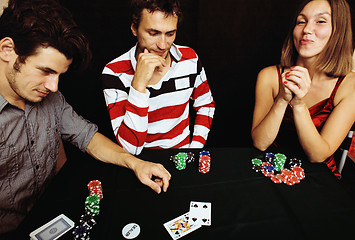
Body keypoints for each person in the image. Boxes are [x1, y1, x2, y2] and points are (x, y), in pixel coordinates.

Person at [0, 0, 171, 234]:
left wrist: (137, 163)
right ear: (7, 50)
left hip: (54, 214)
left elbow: (88, 137)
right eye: (46, 71)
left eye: (59, 74)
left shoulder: (52, 98)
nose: (53, 86)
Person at [252, 0, 355, 178]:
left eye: (320, 21)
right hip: (272, 171)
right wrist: (283, 99)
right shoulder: (269, 76)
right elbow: (260, 143)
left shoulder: (350, 85)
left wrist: (298, 104)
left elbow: (318, 155)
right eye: (301, 21)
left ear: (339, 31)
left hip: (321, 178)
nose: (307, 29)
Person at [102, 0, 215, 155]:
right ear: (134, 28)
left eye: (170, 34)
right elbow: (131, 148)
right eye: (153, 33)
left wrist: (194, 148)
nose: (163, 45)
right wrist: (139, 85)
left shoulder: (190, 58)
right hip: (139, 163)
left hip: (181, 158)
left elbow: (206, 105)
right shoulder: (114, 72)